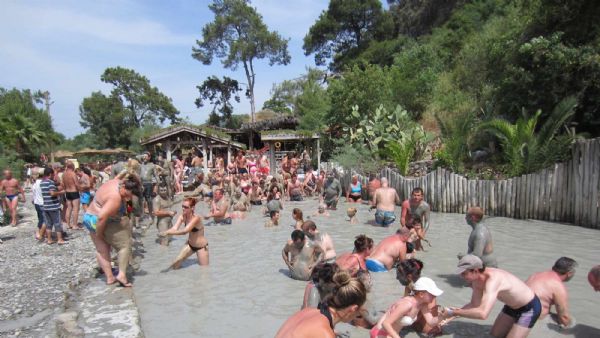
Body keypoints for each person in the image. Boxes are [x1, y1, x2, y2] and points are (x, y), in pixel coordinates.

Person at [448, 255, 542, 338]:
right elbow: (474, 304)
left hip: (529, 308)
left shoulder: (493, 280)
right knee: (493, 336)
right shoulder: (476, 280)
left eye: (464, 273)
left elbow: (483, 314)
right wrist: (451, 315)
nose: (461, 276)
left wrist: (455, 312)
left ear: (475, 270)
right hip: (511, 306)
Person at [82, 173, 141, 287]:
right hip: (96, 220)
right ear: (124, 187)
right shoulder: (116, 198)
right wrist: (99, 232)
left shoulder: (116, 182)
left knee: (102, 249)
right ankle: (121, 275)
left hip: (89, 216)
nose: (127, 198)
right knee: (124, 245)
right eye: (127, 195)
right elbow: (102, 217)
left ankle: (109, 278)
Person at [275, 270, 367, 338]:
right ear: (353, 309)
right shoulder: (325, 333)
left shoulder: (308, 311)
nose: (358, 315)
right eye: (359, 313)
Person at [370, 277, 445, 338]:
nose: (435, 296)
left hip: (392, 335)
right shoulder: (407, 304)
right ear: (421, 294)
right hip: (380, 334)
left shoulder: (423, 304)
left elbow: (431, 322)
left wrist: (444, 315)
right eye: (432, 294)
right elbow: (385, 323)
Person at [525, 257, 577, 328]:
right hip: (532, 319)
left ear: (553, 267)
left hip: (514, 311)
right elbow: (564, 318)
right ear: (569, 274)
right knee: (570, 323)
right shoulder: (558, 286)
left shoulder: (535, 275)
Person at [161, 198, 209, 269]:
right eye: (182, 206)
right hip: (190, 245)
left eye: (186, 207)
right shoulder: (182, 216)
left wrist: (167, 232)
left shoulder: (196, 218)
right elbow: (174, 228)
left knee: (204, 272)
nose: (183, 209)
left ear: (192, 208)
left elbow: (185, 231)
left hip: (201, 247)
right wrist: (166, 232)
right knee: (175, 265)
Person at [41, 167, 66, 244]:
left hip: (46, 206)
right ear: (50, 174)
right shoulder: (50, 182)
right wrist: (62, 192)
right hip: (53, 206)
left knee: (48, 224)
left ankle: (49, 239)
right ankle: (60, 239)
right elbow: (52, 193)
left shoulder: (42, 182)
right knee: (57, 223)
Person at [140, 152, 159, 221]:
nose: (144, 157)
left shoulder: (152, 165)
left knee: (149, 200)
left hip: (149, 183)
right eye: (143, 156)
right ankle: (142, 214)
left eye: (146, 156)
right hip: (141, 184)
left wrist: (157, 186)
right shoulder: (140, 165)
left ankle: (151, 214)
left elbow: (156, 175)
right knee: (141, 200)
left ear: (149, 157)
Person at [62, 162, 81, 230]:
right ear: (72, 166)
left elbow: (63, 184)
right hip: (74, 192)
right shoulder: (73, 174)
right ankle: (75, 225)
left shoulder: (64, 174)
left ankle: (68, 224)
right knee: (76, 209)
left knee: (69, 208)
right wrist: (80, 189)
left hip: (67, 192)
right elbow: (76, 184)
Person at [31, 169, 46, 240]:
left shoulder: (35, 183)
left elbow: (33, 195)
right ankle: (40, 234)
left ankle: (38, 232)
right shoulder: (43, 183)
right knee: (46, 220)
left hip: (36, 203)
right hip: (42, 203)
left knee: (40, 219)